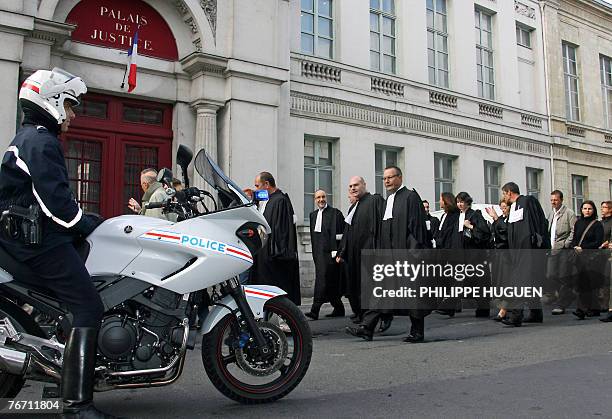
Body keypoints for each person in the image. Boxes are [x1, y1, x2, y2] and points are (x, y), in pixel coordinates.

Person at [0, 68, 113, 417]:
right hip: (37, 245)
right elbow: (59, 208)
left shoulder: (30, 138)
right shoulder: (40, 142)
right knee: (88, 307)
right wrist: (89, 222)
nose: (74, 114)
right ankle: (77, 406)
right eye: (70, 104)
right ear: (51, 101)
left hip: (25, 240)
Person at [346, 166, 430, 342]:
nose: (387, 181)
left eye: (390, 178)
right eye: (384, 178)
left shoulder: (410, 197)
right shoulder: (389, 200)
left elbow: (416, 229)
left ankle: (417, 332)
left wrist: (413, 253)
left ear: (400, 177)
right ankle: (367, 328)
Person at [500, 182, 550, 327]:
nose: (504, 197)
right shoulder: (514, 207)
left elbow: (537, 224)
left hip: (528, 251)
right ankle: (536, 313)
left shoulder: (527, 201)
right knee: (530, 282)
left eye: (504, 193)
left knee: (519, 283)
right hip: (518, 253)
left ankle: (516, 316)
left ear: (509, 192)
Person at [336, 176, 384, 321]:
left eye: (356, 185)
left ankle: (382, 317)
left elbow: (381, 227)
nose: (353, 188)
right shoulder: (354, 206)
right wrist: (342, 252)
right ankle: (363, 315)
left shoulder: (375, 200)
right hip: (355, 255)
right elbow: (348, 233)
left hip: (370, 252)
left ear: (364, 184)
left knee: (372, 288)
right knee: (358, 288)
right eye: (350, 186)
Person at [437, 192, 491, 318]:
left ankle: (482, 308)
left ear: (468, 202)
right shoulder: (457, 217)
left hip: (473, 256)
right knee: (460, 281)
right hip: (460, 256)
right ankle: (450, 306)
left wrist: (471, 226)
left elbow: (484, 234)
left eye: (462, 202)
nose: (460, 205)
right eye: (458, 202)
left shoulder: (475, 215)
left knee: (477, 283)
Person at [250, 172, 301, 305]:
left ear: (266, 184)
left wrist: (275, 253)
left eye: (257, 186)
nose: (256, 189)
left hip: (273, 257)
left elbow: (281, 232)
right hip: (263, 255)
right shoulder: (267, 200)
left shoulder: (280, 200)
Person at [305, 189, 345, 320]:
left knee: (322, 281)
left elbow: (342, 236)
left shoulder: (336, 214)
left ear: (326, 198)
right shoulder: (313, 215)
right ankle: (339, 308)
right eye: (318, 198)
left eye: (323, 197)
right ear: (315, 200)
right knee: (330, 281)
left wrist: (339, 253)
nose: (321, 199)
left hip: (331, 254)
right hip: (318, 254)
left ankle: (314, 310)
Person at [570, 200, 605, 319]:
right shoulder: (578, 223)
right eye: (585, 208)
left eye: (589, 208)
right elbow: (574, 237)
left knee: (590, 283)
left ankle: (588, 309)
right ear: (581, 210)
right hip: (579, 257)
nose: (587, 211)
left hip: (592, 258)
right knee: (581, 283)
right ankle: (585, 309)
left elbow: (598, 241)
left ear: (593, 210)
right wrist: (574, 246)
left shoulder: (597, 224)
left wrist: (583, 248)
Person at [546, 190, 576, 315]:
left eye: (556, 200)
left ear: (561, 200)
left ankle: (562, 303)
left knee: (563, 275)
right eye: (552, 200)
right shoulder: (551, 214)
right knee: (551, 274)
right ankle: (568, 294)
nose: (553, 202)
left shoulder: (569, 213)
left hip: (563, 249)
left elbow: (574, 230)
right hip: (553, 249)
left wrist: (566, 244)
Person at [486, 200, 510, 321]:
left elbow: (505, 233)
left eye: (505, 207)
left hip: (507, 255)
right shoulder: (500, 219)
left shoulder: (510, 219)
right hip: (498, 254)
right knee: (499, 281)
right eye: (502, 208)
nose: (503, 210)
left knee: (507, 281)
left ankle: (504, 310)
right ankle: (505, 308)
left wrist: (496, 218)